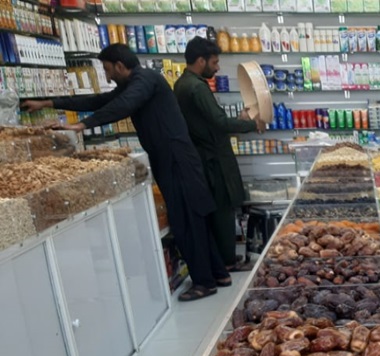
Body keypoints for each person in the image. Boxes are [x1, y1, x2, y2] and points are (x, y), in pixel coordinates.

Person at [22, 44, 229, 302]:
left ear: (120, 65)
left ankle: (204, 282)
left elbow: (124, 105)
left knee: (187, 220)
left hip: (176, 160)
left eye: (108, 70)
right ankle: (218, 274)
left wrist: (83, 125)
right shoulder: (135, 83)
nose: (108, 76)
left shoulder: (146, 80)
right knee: (194, 217)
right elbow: (100, 101)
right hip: (173, 158)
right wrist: (49, 103)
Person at [175, 37, 265, 273]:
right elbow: (219, 122)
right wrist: (251, 124)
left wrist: (239, 120)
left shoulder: (183, 83)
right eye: (214, 62)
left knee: (218, 210)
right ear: (201, 60)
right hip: (213, 160)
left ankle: (224, 259)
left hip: (203, 156)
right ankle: (227, 261)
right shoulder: (196, 87)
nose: (217, 68)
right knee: (223, 210)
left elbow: (211, 121)